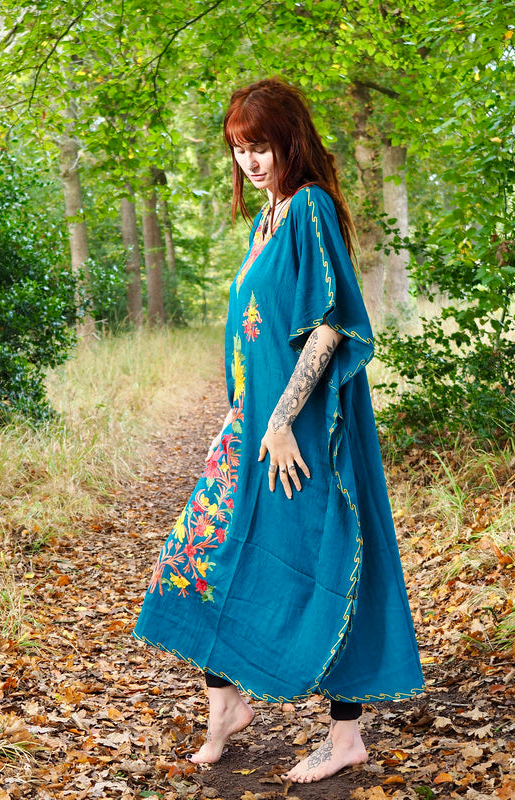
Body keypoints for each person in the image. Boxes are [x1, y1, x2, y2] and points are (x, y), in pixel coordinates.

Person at [133, 78, 424, 784]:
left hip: (308, 428)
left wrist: (285, 418)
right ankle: (225, 703)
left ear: (290, 141)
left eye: (260, 146)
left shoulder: (310, 207)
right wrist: (238, 420)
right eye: (239, 149)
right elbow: (251, 339)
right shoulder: (265, 219)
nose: (250, 161)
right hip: (254, 427)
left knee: (331, 555)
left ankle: (346, 735)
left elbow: (330, 325)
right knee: (194, 557)